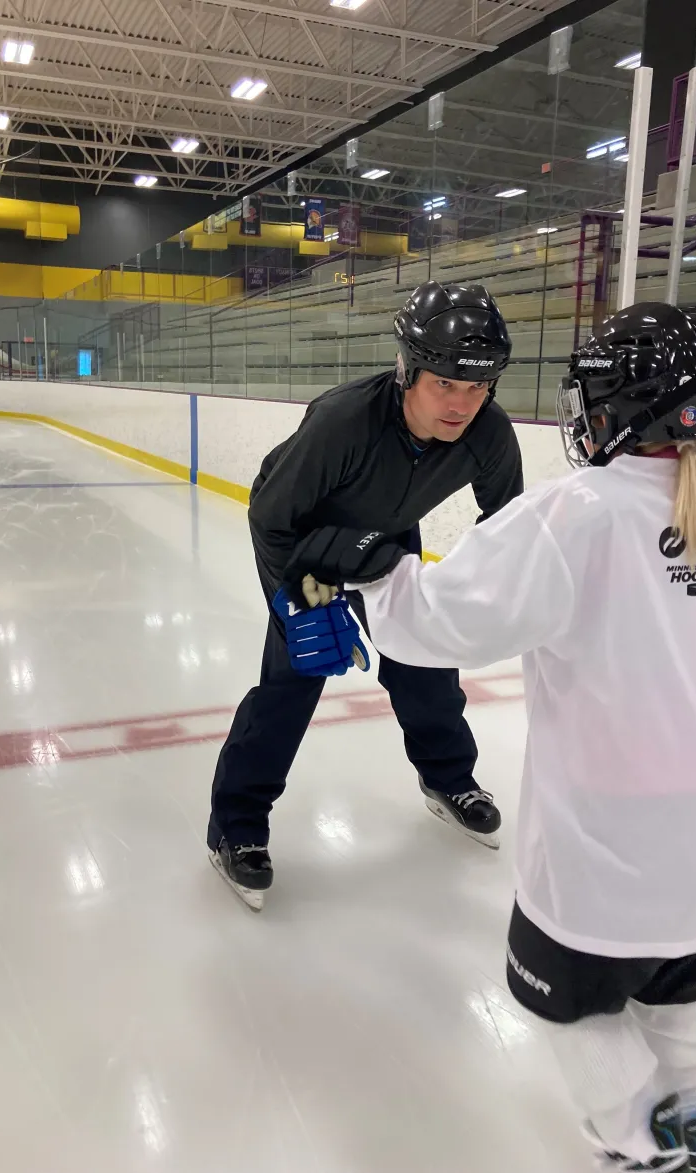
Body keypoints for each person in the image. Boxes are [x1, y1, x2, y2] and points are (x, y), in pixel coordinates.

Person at [283, 303, 696, 1171]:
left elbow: (436, 622)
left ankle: (637, 1145)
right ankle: (691, 1129)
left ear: (627, 403)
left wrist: (374, 567)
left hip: (610, 850)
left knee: (560, 1000)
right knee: (679, 990)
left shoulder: (575, 514)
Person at [208, 280, 524, 909]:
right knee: (293, 681)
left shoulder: (488, 433)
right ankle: (236, 828)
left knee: (426, 664)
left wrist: (484, 599)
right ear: (408, 371)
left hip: (386, 542)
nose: (462, 404)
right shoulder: (344, 420)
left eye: (478, 386)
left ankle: (449, 781)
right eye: (445, 385)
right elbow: (271, 516)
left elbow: (509, 529)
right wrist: (293, 601)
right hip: (312, 546)